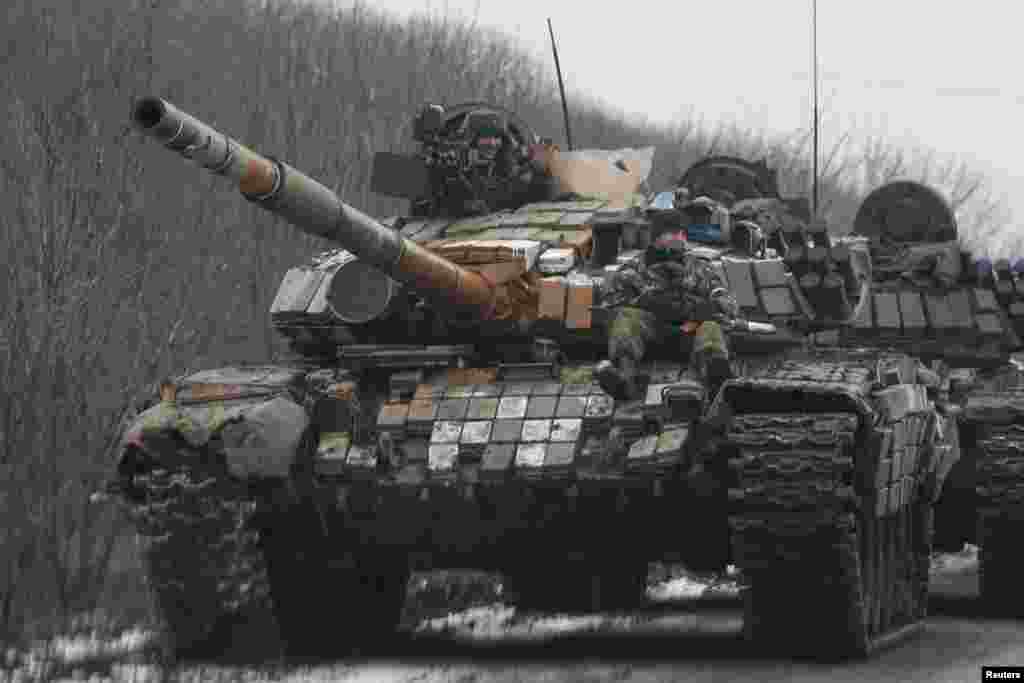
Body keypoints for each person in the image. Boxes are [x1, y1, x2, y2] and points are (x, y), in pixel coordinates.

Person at [595, 234, 739, 400]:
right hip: (651, 333)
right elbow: (609, 307)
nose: (669, 244)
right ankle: (624, 377)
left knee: (711, 328)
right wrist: (641, 302)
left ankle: (717, 381)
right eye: (663, 236)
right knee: (626, 317)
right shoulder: (633, 268)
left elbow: (727, 302)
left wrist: (707, 307)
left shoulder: (701, 268)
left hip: (692, 331)